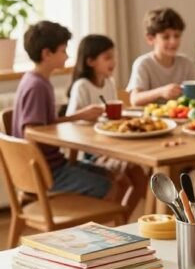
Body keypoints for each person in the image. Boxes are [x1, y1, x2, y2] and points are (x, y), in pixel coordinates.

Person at [12, 21, 128, 203]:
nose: (67, 56)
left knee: (115, 176)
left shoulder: (34, 80)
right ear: (47, 54)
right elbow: (32, 131)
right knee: (109, 186)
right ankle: (98, 229)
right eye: (63, 51)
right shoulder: (37, 86)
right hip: (48, 171)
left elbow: (43, 125)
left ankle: (101, 226)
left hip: (49, 166)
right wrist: (75, 118)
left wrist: (79, 116)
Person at [65, 34, 146, 214]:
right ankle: (114, 223)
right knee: (126, 177)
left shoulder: (109, 83)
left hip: (111, 145)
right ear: (91, 61)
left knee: (140, 178)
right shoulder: (82, 86)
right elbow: (70, 120)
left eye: (113, 56)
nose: (113, 61)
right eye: (107, 57)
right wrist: (88, 115)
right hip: (90, 152)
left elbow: (112, 117)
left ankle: (121, 221)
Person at [127, 7, 195, 106]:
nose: (173, 42)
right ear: (150, 39)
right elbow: (135, 99)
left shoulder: (186, 63)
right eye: (166, 37)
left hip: (182, 116)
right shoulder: (143, 64)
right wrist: (161, 92)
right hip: (153, 119)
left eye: (177, 36)